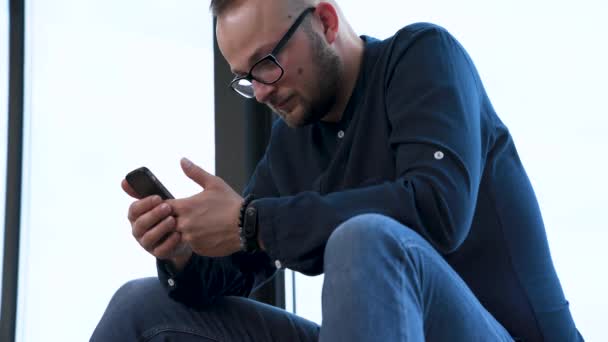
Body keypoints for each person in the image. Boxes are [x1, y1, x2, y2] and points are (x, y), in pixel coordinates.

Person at [91, 0, 584, 341]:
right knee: (141, 307)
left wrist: (252, 222)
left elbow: (437, 208)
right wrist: (181, 255)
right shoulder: (297, 137)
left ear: (325, 22)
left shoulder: (421, 59)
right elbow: (237, 266)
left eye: (265, 62)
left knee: (365, 238)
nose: (260, 90)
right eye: (245, 78)